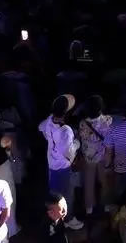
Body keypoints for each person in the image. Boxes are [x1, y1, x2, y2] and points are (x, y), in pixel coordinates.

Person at [38, 95, 83, 231]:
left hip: (52, 164)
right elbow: (69, 153)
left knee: (54, 194)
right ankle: (67, 219)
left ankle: (54, 221)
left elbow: (40, 127)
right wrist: (77, 143)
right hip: (63, 168)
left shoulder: (49, 121)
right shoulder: (66, 130)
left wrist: (49, 137)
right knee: (66, 195)